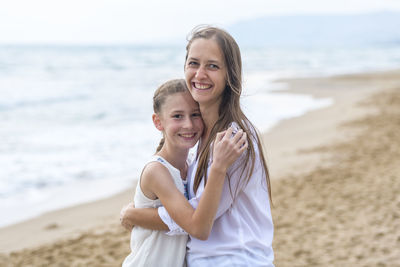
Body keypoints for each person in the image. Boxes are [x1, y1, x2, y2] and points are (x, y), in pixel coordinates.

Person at [121, 26, 274, 266]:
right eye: (194, 63)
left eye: (212, 66)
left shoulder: (233, 138)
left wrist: (136, 215)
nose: (200, 74)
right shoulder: (202, 136)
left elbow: (198, 218)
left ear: (230, 76)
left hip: (235, 259)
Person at [122, 79, 248, 267]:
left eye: (195, 115)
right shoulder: (157, 171)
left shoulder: (190, 166)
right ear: (158, 122)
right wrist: (218, 167)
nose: (188, 124)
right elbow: (196, 226)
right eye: (177, 116)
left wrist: (132, 214)